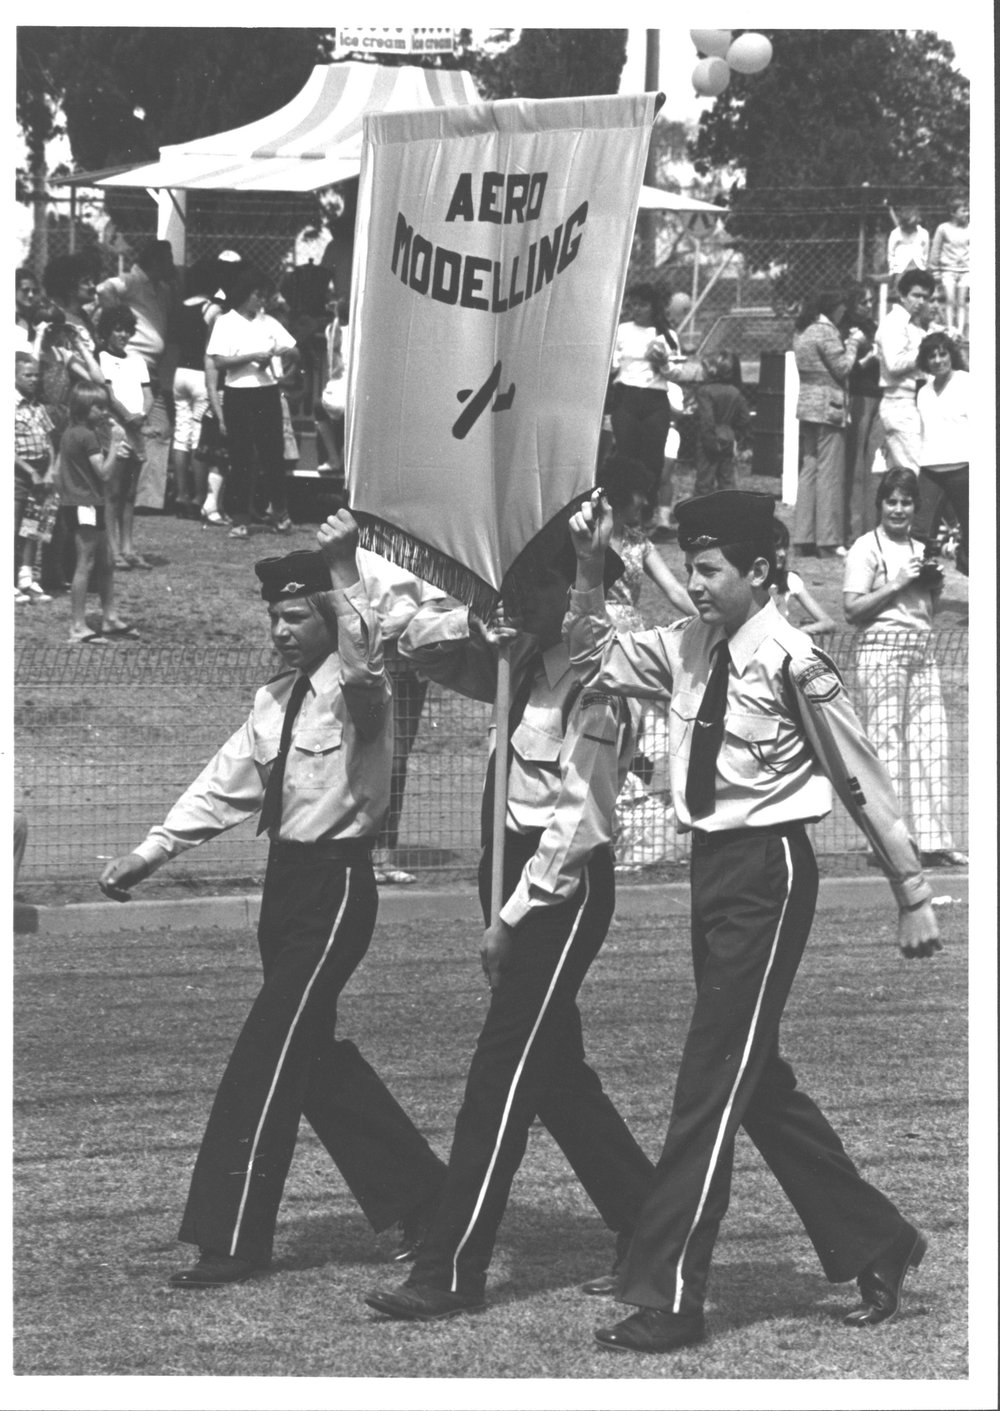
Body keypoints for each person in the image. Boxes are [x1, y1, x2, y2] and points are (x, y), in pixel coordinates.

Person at [564, 487, 941, 1355]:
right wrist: (591, 570)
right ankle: (877, 1239)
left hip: (768, 869)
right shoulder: (690, 646)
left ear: (762, 570)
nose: (692, 584)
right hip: (713, 870)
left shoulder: (792, 658)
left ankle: (670, 1293)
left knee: (709, 1082)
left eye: (708, 569)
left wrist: (911, 892)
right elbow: (594, 656)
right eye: (690, 568)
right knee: (751, 1076)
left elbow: (858, 773)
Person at [97, 520, 447, 1289]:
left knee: (266, 1053)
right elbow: (224, 783)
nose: (281, 631)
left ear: (329, 618)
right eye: (274, 617)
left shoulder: (364, 694)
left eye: (297, 616)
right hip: (286, 885)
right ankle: (429, 1200)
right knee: (310, 1057)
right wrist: (150, 853)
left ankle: (232, 1237)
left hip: (337, 884)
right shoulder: (274, 699)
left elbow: (363, 656)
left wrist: (344, 568)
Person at [364, 532, 657, 1322]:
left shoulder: (597, 678)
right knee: (557, 1073)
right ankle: (650, 1224)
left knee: (501, 1074)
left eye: (538, 583)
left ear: (578, 587)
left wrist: (510, 919)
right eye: (514, 582)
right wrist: (478, 616)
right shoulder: (513, 658)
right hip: (508, 871)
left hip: (555, 892)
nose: (521, 596)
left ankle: (449, 1269)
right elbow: (413, 650)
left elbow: (579, 823)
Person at [843, 468, 966, 868]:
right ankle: (887, 842)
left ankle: (934, 842)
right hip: (880, 649)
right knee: (885, 746)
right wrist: (896, 583)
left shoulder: (922, 547)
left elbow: (935, 603)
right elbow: (852, 609)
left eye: (907, 501)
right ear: (880, 504)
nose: (899, 509)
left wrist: (936, 585)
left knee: (933, 739)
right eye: (892, 501)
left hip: (922, 649)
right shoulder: (865, 547)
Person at [598, 456, 695, 871]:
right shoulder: (591, 537)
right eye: (639, 496)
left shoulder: (640, 543)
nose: (644, 504)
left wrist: (711, 619)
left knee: (642, 737)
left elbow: (673, 588)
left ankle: (635, 834)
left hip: (634, 638)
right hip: (597, 636)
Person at [356, 549, 447, 885]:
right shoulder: (359, 549)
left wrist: (405, 621)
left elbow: (437, 602)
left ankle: (383, 854)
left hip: (407, 662)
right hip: (368, 660)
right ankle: (358, 851)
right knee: (362, 755)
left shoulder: (420, 550)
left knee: (396, 760)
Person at [206, 267, 297, 540]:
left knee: (273, 457)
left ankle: (280, 513)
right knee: (241, 457)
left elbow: (293, 349)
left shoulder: (268, 322)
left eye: (265, 296)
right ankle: (240, 519)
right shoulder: (225, 322)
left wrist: (285, 368)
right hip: (238, 394)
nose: (262, 301)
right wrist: (252, 356)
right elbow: (220, 360)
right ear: (246, 294)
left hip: (267, 393)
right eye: (258, 295)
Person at [54, 382, 135, 644]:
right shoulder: (87, 436)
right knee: (86, 563)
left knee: (106, 560)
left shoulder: (70, 433)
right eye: (97, 406)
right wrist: (116, 445)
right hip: (85, 504)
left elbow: (60, 472)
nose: (102, 411)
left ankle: (109, 617)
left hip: (85, 503)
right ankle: (77, 626)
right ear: (83, 407)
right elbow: (104, 473)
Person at [792, 291, 864, 557]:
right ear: (834, 308)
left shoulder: (802, 330)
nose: (844, 313)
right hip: (829, 407)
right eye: (842, 308)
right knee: (830, 473)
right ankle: (829, 540)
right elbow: (843, 368)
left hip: (807, 405)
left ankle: (803, 537)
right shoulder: (826, 331)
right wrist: (854, 343)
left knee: (809, 470)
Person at [97, 305, 154, 572]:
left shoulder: (137, 361)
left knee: (129, 494)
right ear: (107, 331)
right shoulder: (103, 359)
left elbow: (148, 394)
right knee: (113, 492)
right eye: (117, 329)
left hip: (136, 432)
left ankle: (128, 547)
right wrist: (127, 417)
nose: (122, 334)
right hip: (116, 430)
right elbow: (109, 394)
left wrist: (141, 415)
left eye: (126, 330)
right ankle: (111, 549)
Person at [610, 283, 679, 495]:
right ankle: (624, 506)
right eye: (634, 305)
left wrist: (662, 363)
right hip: (626, 397)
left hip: (655, 399)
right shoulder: (621, 330)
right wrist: (615, 362)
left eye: (643, 305)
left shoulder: (666, 334)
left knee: (653, 456)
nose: (637, 309)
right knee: (626, 453)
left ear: (653, 307)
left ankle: (646, 505)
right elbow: (611, 365)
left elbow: (676, 373)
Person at [170, 256, 225, 520]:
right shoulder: (211, 309)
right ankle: (199, 495)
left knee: (181, 434)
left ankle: (181, 492)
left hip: (179, 372)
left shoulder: (180, 307)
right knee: (198, 437)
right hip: (201, 375)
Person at [913, 332, 969, 576]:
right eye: (931, 355)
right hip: (930, 472)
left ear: (951, 355)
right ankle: (916, 589)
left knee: (973, 533)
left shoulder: (967, 382)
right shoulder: (923, 392)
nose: (937, 360)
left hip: (963, 470)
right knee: (918, 531)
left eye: (942, 353)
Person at [874, 268, 936, 474]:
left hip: (914, 402)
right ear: (902, 295)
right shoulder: (894, 322)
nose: (921, 302)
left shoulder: (915, 326)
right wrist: (926, 351)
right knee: (916, 470)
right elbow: (894, 364)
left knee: (906, 472)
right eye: (915, 295)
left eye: (925, 297)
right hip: (899, 402)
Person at [838, 282, 883, 541]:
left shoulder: (872, 327)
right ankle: (853, 530)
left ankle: (870, 526)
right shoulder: (847, 330)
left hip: (878, 396)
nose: (868, 307)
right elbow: (846, 367)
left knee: (872, 465)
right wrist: (870, 358)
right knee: (854, 465)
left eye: (871, 302)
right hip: (858, 396)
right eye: (863, 302)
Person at [14, 352, 56, 606]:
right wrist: (30, 471)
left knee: (33, 526)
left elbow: (49, 440)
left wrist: (50, 468)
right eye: (27, 375)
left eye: (36, 375)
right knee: (12, 525)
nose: (33, 379)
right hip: (19, 472)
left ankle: (26, 577)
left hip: (42, 472)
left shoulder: (37, 406)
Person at [692, 352, 751, 498]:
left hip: (709, 440)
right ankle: (727, 514)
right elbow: (744, 418)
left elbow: (707, 420)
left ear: (711, 371)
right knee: (726, 481)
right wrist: (735, 435)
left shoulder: (704, 391)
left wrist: (710, 440)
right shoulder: (735, 392)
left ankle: (700, 514)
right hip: (728, 437)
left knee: (704, 482)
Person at [769, 518, 836, 634]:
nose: (782, 554)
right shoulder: (746, 582)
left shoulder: (790, 580)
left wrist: (798, 633)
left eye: (784, 547)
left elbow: (828, 623)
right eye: (776, 548)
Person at [928, 197, 969, 339]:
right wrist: (935, 270)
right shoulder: (943, 228)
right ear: (953, 212)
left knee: (962, 301)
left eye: (967, 210)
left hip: (966, 271)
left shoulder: (970, 228)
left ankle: (961, 331)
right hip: (948, 271)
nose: (967, 214)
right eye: (963, 211)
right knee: (950, 300)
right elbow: (935, 250)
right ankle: (951, 331)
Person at [885, 206, 929, 286]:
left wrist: (923, 266)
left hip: (918, 268)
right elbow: (891, 253)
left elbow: (925, 252)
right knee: (901, 292)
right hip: (900, 269)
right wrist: (892, 270)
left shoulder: (923, 233)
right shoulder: (895, 233)